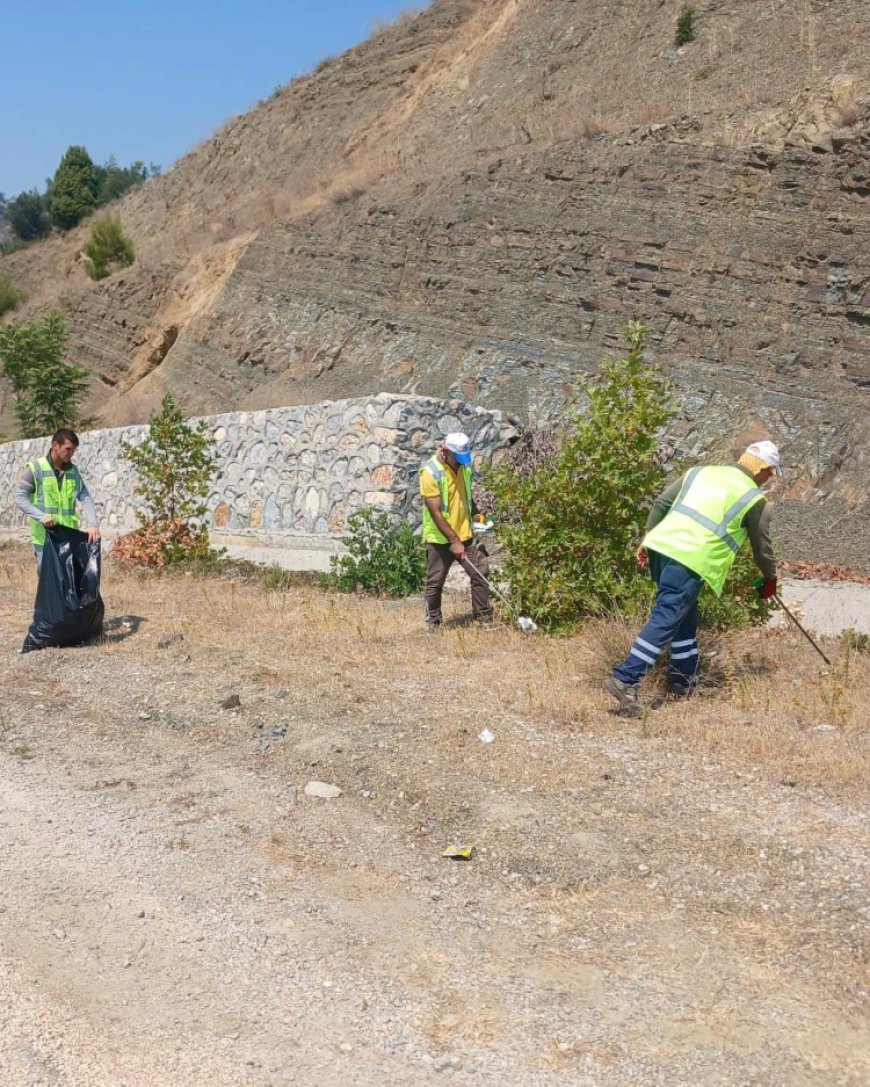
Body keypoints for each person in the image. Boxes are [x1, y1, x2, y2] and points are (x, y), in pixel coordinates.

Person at [604, 440, 781, 715]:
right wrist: (770, 578)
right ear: (762, 467)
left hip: (662, 549)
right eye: (770, 473)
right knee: (667, 617)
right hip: (691, 560)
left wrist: (648, 537)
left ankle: (684, 682)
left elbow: (662, 502)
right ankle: (625, 679)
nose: (768, 480)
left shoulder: (699, 471)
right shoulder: (754, 499)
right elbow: (762, 546)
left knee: (686, 618)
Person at [420, 432, 493, 629]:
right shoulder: (430, 472)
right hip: (440, 539)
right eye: (457, 459)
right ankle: (433, 622)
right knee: (435, 582)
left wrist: (479, 519)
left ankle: (483, 619)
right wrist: (454, 541)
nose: (461, 463)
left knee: (481, 573)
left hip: (465, 534)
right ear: (444, 450)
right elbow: (436, 513)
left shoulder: (464, 469)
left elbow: (466, 498)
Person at [14, 428, 101, 573]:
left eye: (73, 450)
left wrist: (93, 524)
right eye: (68, 449)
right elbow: (20, 497)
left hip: (67, 538)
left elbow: (85, 497)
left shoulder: (73, 471)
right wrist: (41, 517)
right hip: (45, 539)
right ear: (55, 445)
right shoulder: (36, 468)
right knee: (48, 586)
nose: (71, 454)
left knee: (68, 586)